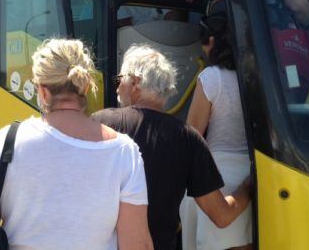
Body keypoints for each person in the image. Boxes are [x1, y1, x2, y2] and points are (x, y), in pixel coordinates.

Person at [0, 38, 152, 250]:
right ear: (85, 86)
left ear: (42, 91)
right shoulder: (124, 152)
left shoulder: (8, 141)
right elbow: (136, 244)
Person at [92, 45, 251, 250]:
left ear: (135, 82)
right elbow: (222, 216)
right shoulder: (188, 138)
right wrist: (249, 186)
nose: (116, 87)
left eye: (119, 79)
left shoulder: (101, 124)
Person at [182, 0, 252, 250]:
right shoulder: (257, 77)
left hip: (215, 180)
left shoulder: (211, 78)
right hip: (255, 175)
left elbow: (191, 138)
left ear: (212, 41)